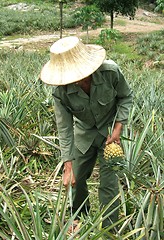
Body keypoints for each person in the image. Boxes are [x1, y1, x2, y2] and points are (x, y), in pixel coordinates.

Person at [40, 36, 133, 229]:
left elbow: (126, 97)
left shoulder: (110, 72)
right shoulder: (61, 92)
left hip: (110, 133)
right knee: (76, 178)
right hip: (84, 135)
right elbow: (64, 128)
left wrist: (118, 128)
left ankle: (110, 228)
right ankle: (79, 218)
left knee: (109, 183)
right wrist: (67, 165)